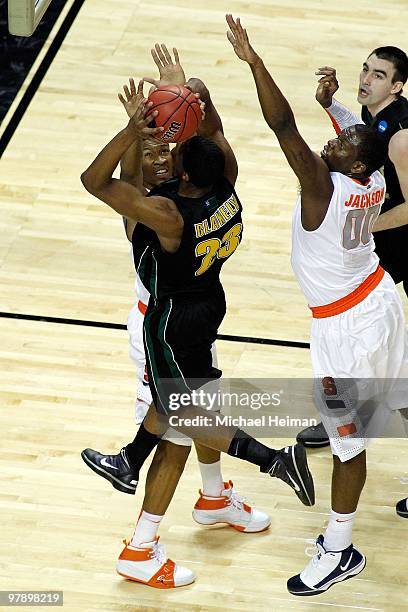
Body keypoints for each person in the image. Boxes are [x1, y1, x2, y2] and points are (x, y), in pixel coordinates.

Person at [80, 66, 315, 586]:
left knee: (189, 417)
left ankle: (177, 509)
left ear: (184, 173)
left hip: (172, 321)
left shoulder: (163, 212)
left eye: (173, 149)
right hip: (196, 308)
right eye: (158, 148)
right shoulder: (225, 182)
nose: (165, 152)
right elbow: (207, 141)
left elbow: (109, 182)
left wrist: (138, 130)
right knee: (187, 421)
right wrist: (190, 97)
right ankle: (152, 529)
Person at [225, 13, 406, 596]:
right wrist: (336, 109)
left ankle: (339, 545)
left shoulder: (324, 186)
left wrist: (255, 62)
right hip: (378, 296)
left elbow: (281, 127)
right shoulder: (368, 177)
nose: (330, 141)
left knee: (349, 442)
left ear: (353, 163)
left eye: (340, 142)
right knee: (394, 397)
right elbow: (359, 133)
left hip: (346, 327)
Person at [296, 49, 408, 516]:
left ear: (398, 87)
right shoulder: (375, 117)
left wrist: (359, 227)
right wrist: (331, 105)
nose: (366, 79)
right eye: (365, 69)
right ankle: (340, 412)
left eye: (378, 75)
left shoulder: (402, 137)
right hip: (378, 246)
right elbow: (362, 143)